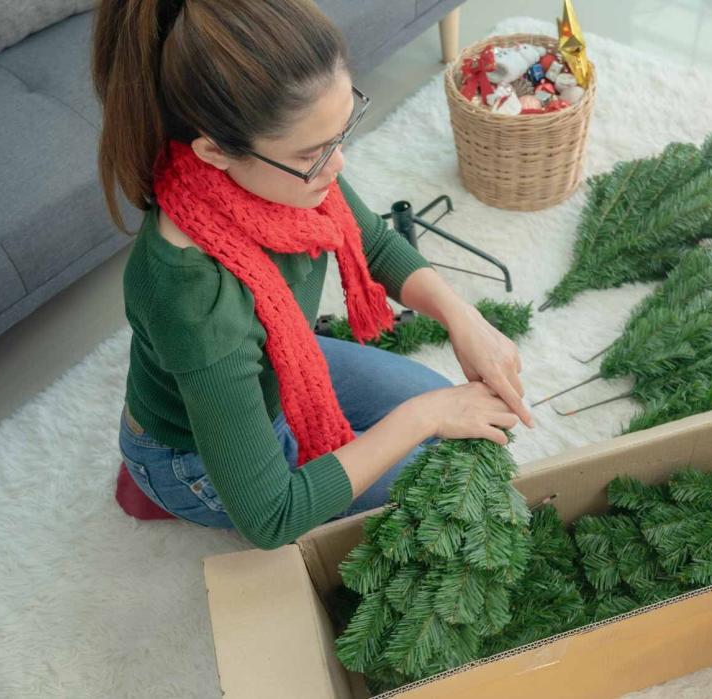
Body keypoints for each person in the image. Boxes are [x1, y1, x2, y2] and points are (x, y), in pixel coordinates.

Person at [91, 0, 534, 550]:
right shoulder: (192, 295)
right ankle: (157, 484)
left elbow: (369, 240)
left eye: (343, 130)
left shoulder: (287, 175)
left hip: (280, 362)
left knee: (458, 420)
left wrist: (463, 318)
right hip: (190, 459)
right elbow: (272, 519)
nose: (338, 165)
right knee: (441, 472)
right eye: (315, 151)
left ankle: (238, 427)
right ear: (215, 151)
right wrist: (422, 418)